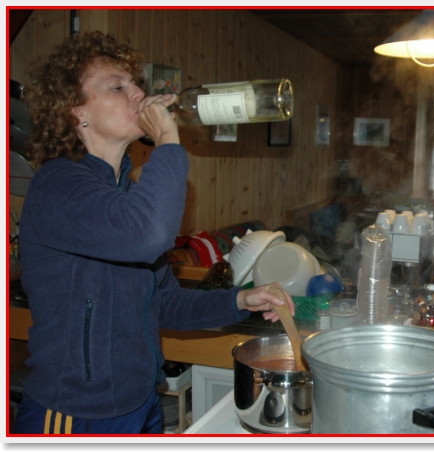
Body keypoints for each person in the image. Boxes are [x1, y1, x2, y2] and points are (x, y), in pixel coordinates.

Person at [13, 31, 295, 434]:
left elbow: (165, 303)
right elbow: (148, 235)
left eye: (135, 84)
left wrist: (240, 300)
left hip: (142, 402)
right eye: (117, 86)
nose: (138, 94)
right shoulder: (58, 185)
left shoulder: (127, 197)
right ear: (75, 112)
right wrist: (166, 139)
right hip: (76, 414)